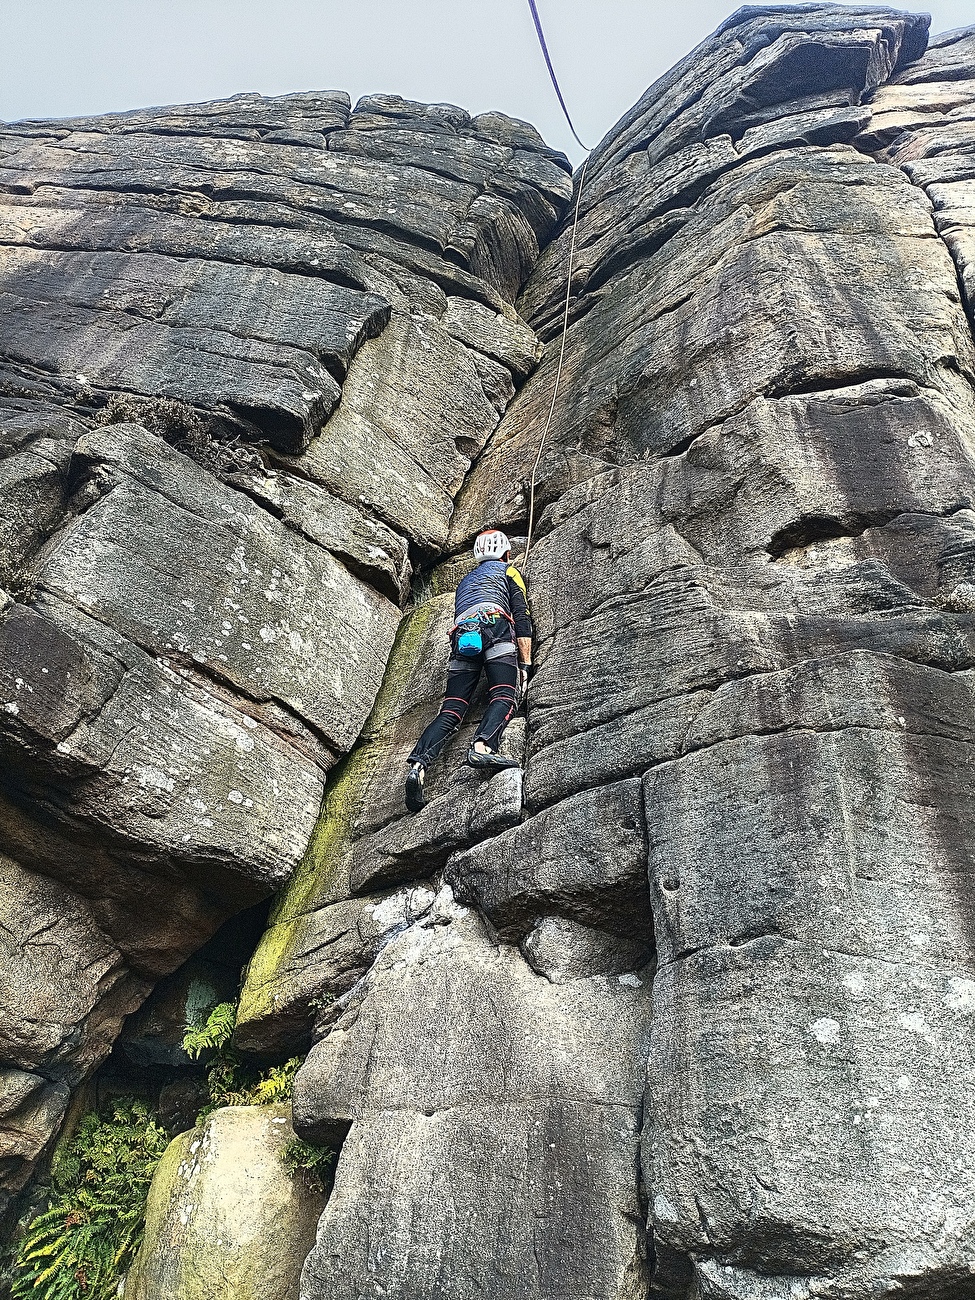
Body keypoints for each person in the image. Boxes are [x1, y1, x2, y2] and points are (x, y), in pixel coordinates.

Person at [405, 528, 533, 812]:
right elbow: (521, 615)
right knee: (504, 695)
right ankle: (483, 748)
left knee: (451, 710)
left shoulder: (465, 582)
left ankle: (418, 766)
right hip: (495, 628)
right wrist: (524, 663)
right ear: (505, 553)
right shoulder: (509, 571)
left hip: (463, 637)